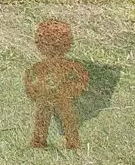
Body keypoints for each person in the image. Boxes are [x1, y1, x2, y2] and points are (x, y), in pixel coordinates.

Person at [24, 18, 89, 150]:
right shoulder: (67, 65)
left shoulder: (44, 66)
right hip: (54, 96)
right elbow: (82, 77)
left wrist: (32, 91)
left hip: (58, 97)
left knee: (62, 118)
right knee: (51, 118)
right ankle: (44, 141)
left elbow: (29, 78)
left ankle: (65, 142)